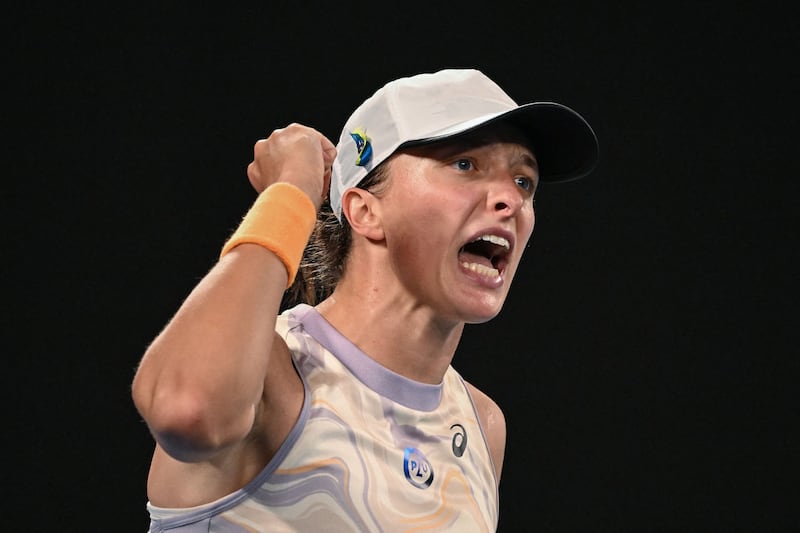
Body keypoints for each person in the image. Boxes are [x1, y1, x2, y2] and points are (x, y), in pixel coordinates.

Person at [132, 68, 598, 532]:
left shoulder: (481, 426)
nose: (510, 199)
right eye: (464, 165)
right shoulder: (272, 375)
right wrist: (290, 192)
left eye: (524, 181)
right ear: (365, 210)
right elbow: (185, 408)